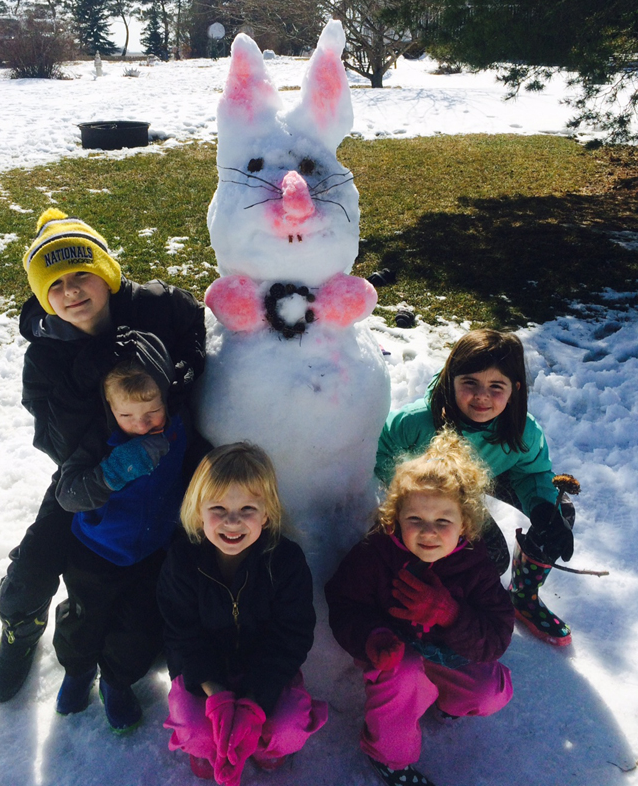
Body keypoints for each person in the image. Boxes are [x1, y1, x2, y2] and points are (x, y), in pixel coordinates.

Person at [0, 208, 206, 703]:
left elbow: (192, 319)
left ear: (105, 273)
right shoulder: (46, 354)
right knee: (32, 570)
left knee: (185, 554)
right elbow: (53, 445)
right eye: (55, 284)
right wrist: (84, 380)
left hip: (167, 461)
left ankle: (175, 641)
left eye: (81, 273)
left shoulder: (153, 307)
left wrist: (184, 371)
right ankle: (20, 629)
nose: (71, 291)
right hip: (89, 471)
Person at [325, 430, 514, 786]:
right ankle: (390, 757)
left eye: (443, 522)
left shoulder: (475, 563)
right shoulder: (377, 553)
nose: (429, 532)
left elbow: (497, 635)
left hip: (448, 653)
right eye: (416, 520)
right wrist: (373, 639)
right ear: (396, 516)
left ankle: (446, 700)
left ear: (465, 524)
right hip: (396, 655)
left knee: (491, 690)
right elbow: (344, 601)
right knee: (405, 673)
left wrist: (452, 614)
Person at [375, 329, 575, 646]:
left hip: (495, 472)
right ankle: (448, 595)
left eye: (496, 386)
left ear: (515, 390)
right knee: (491, 557)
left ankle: (524, 596)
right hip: (446, 489)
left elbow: (532, 471)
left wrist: (541, 509)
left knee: (556, 513)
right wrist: (406, 497)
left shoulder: (521, 429)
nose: (482, 396)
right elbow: (383, 455)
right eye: (470, 383)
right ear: (450, 379)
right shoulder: (415, 422)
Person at [157, 442, 328, 785]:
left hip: (265, 672)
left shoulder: (286, 561)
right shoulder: (182, 561)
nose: (232, 522)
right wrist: (216, 694)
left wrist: (253, 702)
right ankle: (209, 748)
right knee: (197, 731)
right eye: (218, 507)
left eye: (247, 508)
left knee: (287, 727)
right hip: (203, 675)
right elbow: (181, 633)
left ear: (267, 514)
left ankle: (265, 747)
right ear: (198, 512)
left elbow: (291, 635)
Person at [51, 330, 189, 732]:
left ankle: (116, 682)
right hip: (93, 551)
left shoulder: (179, 430)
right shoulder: (101, 439)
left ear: (167, 398)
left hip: (151, 554)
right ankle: (77, 671)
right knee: (85, 620)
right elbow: (68, 493)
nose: (140, 425)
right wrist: (113, 471)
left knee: (138, 628)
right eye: (127, 416)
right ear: (110, 408)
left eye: (151, 413)